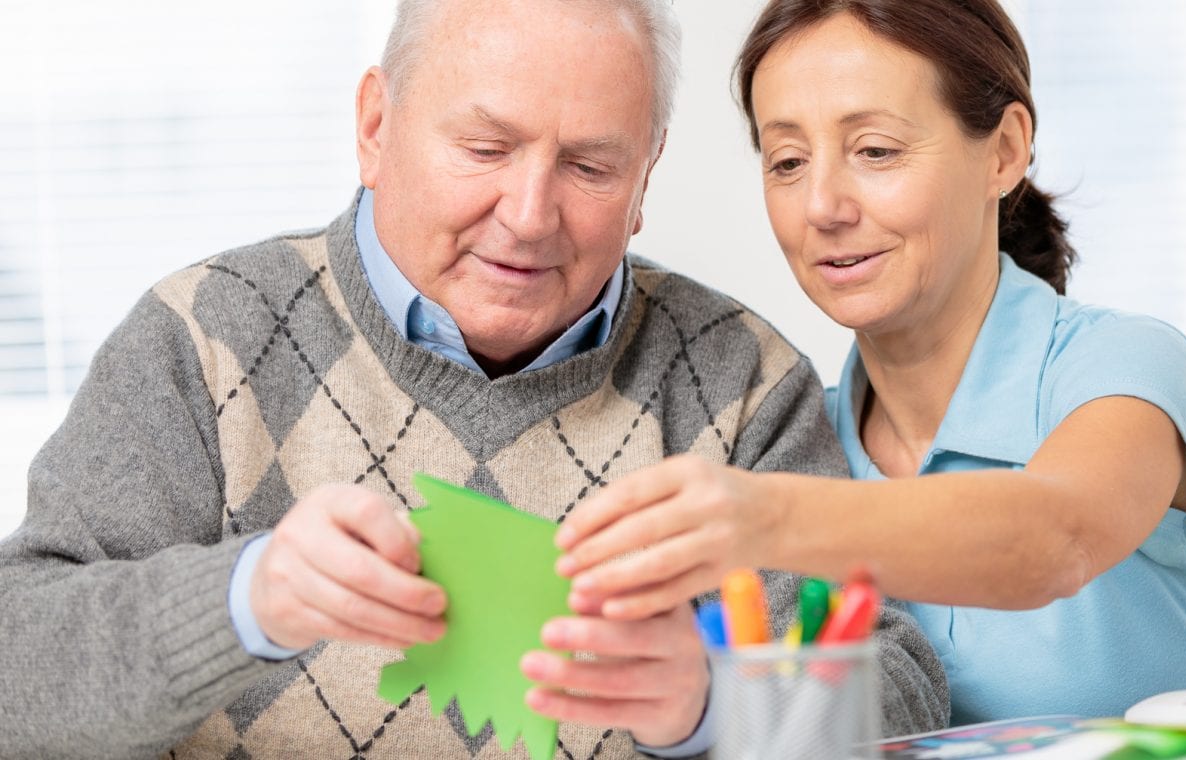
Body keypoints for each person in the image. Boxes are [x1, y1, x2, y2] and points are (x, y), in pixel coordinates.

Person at [0, 1, 948, 757]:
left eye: (589, 165)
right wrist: (244, 601)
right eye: (485, 149)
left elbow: (900, 694)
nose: (531, 216)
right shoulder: (201, 339)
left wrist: (714, 707)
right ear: (376, 127)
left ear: (647, 175)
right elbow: (17, 672)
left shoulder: (741, 382)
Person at [553, 0, 1186, 726]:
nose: (823, 206)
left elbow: (1056, 538)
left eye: (875, 150)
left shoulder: (1122, 367)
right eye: (787, 161)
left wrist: (762, 514)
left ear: (1004, 151)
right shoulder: (806, 436)